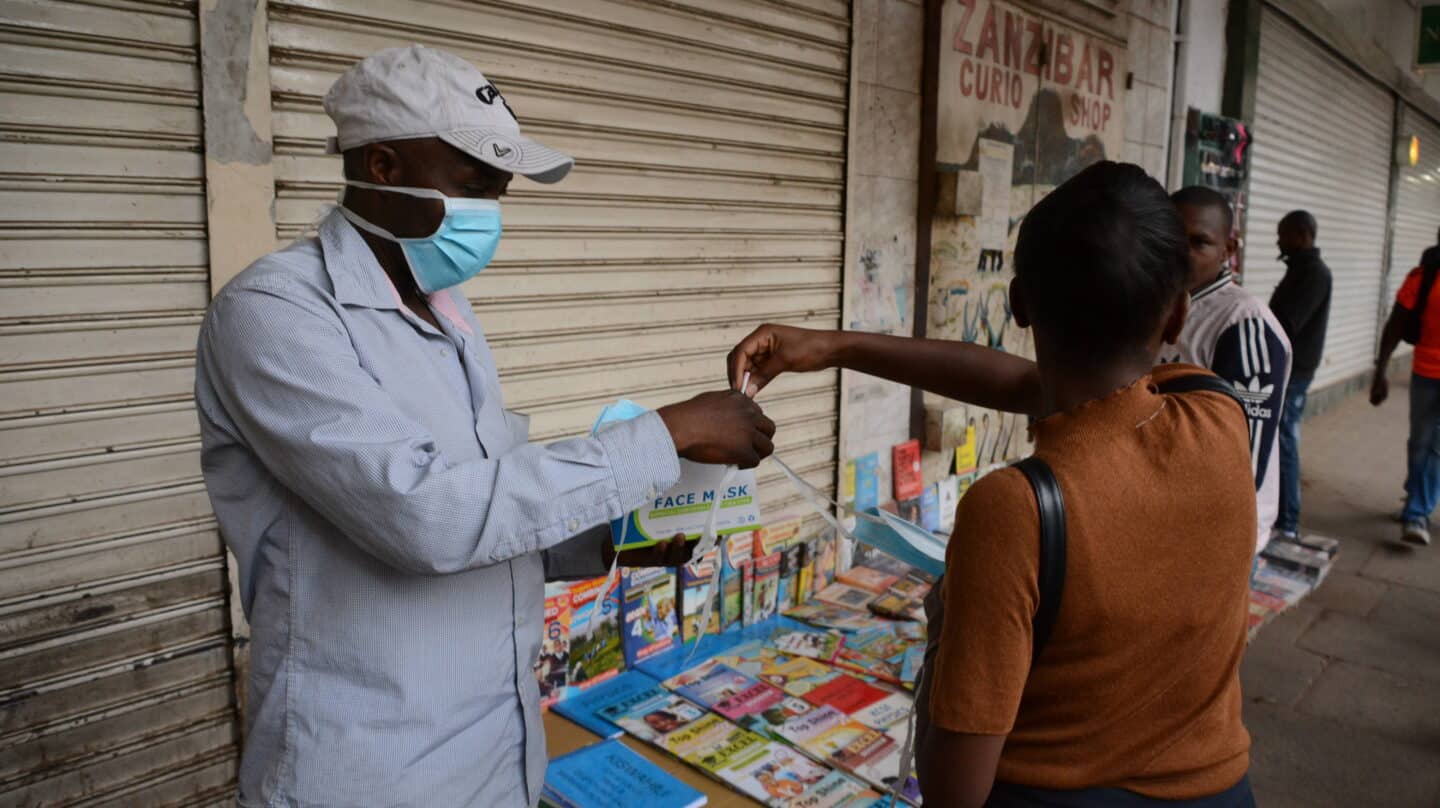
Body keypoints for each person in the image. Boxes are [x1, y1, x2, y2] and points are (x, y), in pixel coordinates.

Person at [194, 46, 775, 807]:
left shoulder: (450, 317)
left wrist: (606, 540)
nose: (488, 215)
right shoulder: (276, 315)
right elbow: (427, 517)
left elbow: (486, 504)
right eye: (472, 187)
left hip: (497, 759)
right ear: (384, 165)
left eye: (498, 194)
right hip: (370, 771)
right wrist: (666, 433)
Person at [730, 162, 1255, 806]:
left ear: (1018, 304)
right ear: (1176, 317)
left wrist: (947, 632)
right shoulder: (1215, 411)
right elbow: (1032, 386)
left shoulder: (1016, 510)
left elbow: (955, 788)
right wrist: (832, 347)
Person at [1160, 187, 1291, 553]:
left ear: (1228, 250)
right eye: (1172, 239)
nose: (1181, 254)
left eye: (1198, 242)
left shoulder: (1244, 324)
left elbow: (1242, 462)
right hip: (1164, 514)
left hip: (1213, 537)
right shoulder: (1161, 304)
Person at [1267, 210, 1333, 539]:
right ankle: (1283, 516)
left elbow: (1288, 323)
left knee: (1284, 440)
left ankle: (1288, 522)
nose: (1279, 241)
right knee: (1281, 439)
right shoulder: (1301, 270)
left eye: (1284, 234)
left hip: (1295, 371)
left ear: (1302, 234)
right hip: (1288, 369)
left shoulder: (1314, 274)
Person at [1371, 236, 1440, 546]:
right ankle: (1416, 499)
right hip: (1426, 372)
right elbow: (1396, 323)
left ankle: (1417, 512)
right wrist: (1381, 370)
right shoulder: (1424, 276)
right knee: (1420, 443)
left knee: (1437, 448)